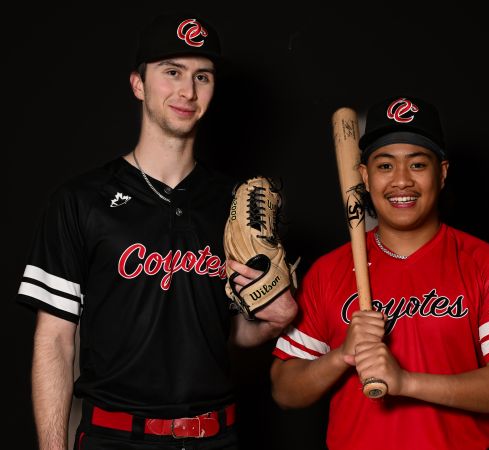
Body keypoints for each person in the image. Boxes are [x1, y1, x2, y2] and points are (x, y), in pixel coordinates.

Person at [16, 12, 297, 450]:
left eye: (202, 76)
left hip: (216, 437)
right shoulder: (80, 200)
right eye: (172, 72)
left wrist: (272, 322)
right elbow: (54, 340)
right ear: (138, 84)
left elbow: (223, 332)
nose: (187, 90)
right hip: (115, 438)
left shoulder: (235, 201)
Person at [270, 95, 489, 449]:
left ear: (442, 173)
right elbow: (284, 390)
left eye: (417, 165)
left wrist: (405, 383)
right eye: (385, 166)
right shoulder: (329, 270)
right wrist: (341, 357)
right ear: (365, 177)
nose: (401, 181)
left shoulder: (488, 263)